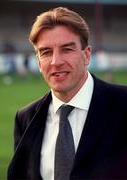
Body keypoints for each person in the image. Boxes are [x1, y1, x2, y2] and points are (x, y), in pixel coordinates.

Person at [7, 7, 127, 180]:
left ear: (86, 55)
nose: (56, 62)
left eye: (67, 49)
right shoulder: (26, 119)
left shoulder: (123, 106)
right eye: (46, 52)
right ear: (39, 64)